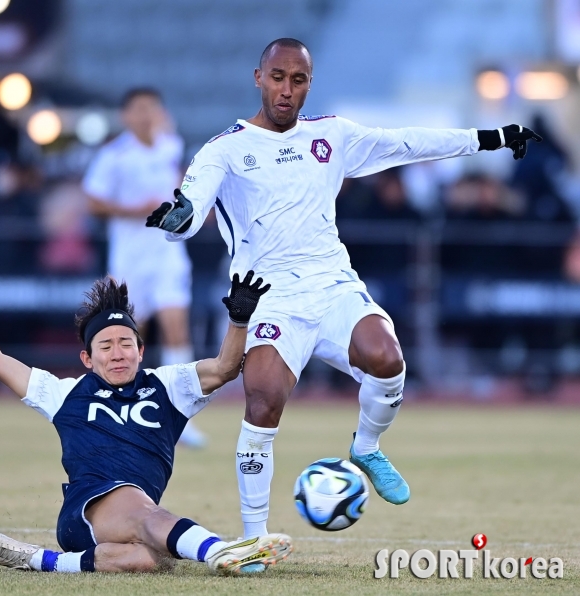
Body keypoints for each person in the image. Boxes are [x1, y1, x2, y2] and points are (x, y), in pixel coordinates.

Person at [145, 38, 542, 539]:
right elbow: (188, 210)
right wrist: (175, 220)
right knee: (262, 400)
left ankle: (367, 449)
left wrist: (490, 138)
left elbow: (407, 143)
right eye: (278, 77)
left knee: (388, 357)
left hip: (332, 284)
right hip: (269, 297)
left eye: (298, 79)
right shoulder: (225, 148)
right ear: (258, 78)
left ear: (310, 83)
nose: (287, 90)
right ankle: (252, 539)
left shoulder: (331, 136)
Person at [0, 272, 293, 574]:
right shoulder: (64, 393)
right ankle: (221, 552)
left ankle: (42, 560)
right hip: (86, 512)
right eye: (105, 346)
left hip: (128, 522)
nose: (117, 353)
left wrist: (239, 319)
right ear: (87, 358)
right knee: (147, 515)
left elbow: (226, 367)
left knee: (149, 561)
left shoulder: (168, 385)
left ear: (141, 350)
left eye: (125, 343)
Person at [83, 88, 205, 448]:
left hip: (167, 254)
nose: (146, 114)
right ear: (125, 115)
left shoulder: (169, 143)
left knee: (177, 329)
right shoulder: (114, 155)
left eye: (152, 108)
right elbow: (93, 201)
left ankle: (182, 418)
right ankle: (119, 411)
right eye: (138, 109)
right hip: (130, 259)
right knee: (130, 336)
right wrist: (136, 210)